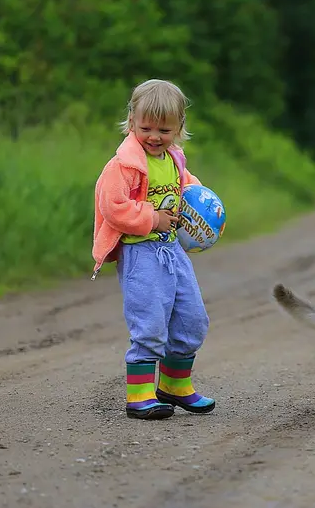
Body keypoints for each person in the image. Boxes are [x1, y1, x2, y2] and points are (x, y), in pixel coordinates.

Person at [91, 78, 215, 420]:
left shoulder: (173, 159)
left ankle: (175, 386)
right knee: (150, 321)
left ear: (179, 128)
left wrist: (205, 209)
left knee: (191, 318)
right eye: (146, 127)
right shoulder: (124, 165)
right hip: (140, 255)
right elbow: (113, 206)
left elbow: (188, 186)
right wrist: (151, 217)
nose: (154, 136)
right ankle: (140, 395)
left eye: (164, 129)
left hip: (172, 251)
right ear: (132, 122)